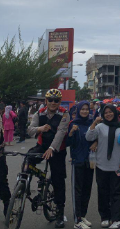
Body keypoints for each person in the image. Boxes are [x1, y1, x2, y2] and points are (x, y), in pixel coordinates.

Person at [27, 89, 70, 228]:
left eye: (56, 100)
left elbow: (61, 132)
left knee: (58, 180)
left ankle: (59, 212)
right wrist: (40, 128)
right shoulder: (39, 113)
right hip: (42, 145)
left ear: (59, 102)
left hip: (57, 149)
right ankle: (26, 185)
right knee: (28, 158)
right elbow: (30, 129)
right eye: (50, 100)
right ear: (45, 101)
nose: (52, 102)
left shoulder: (64, 113)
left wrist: (51, 148)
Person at [86, 105, 120, 229]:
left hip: (116, 165)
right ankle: (105, 217)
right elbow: (89, 136)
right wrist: (94, 122)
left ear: (115, 113)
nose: (109, 114)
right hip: (101, 165)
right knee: (103, 192)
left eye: (111, 112)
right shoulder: (100, 127)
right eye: (106, 113)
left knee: (117, 193)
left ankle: (117, 219)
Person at [68, 101, 95, 229]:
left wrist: (96, 143)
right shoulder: (73, 124)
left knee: (87, 189)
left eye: (86, 109)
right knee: (77, 191)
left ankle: (83, 215)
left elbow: (96, 137)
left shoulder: (91, 123)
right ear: (78, 110)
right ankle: (77, 220)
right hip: (78, 161)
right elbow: (69, 143)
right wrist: (71, 133)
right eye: (82, 109)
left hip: (89, 161)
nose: (84, 111)